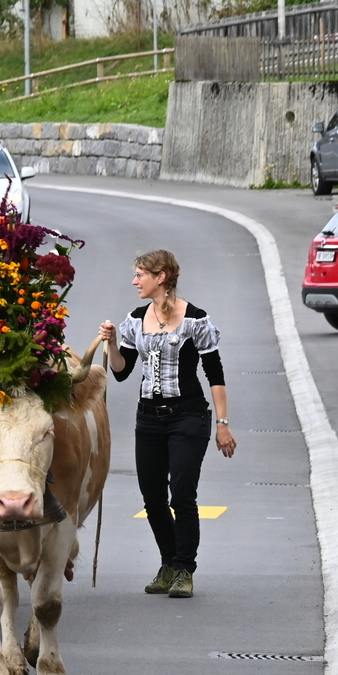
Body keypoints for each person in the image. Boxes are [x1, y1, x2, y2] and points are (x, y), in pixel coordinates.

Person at [98, 249, 234, 599]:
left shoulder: (196, 320)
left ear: (161, 277)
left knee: (183, 496)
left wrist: (222, 423)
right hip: (149, 419)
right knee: (153, 498)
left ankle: (185, 569)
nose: (134, 281)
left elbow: (214, 374)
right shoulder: (134, 319)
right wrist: (113, 344)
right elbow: (122, 370)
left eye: (140, 274)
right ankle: (169, 563)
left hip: (188, 416)